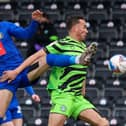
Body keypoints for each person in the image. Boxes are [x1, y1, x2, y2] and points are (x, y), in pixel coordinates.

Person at [0, 16, 109, 126]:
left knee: (103, 123)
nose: (86, 30)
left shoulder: (83, 47)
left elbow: (82, 70)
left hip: (78, 98)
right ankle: (75, 60)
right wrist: (16, 71)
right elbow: (36, 56)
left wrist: (83, 90)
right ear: (75, 28)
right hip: (63, 95)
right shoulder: (61, 43)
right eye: (84, 27)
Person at [0, 9, 48, 124]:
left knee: (49, 58)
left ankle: (74, 59)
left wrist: (35, 22)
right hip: (5, 78)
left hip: (21, 70)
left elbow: (25, 34)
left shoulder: (4, 26)